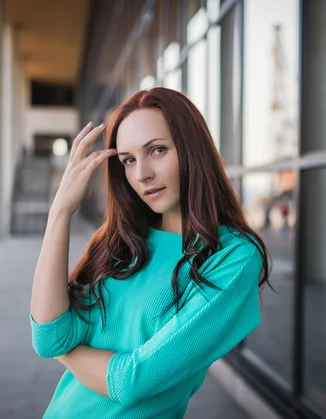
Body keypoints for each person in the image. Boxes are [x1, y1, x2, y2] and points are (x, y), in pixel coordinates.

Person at [29, 87, 271, 418]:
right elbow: (47, 336)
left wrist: (63, 348)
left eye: (157, 150)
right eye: (129, 160)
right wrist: (59, 213)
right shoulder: (121, 241)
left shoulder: (231, 256)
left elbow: (132, 381)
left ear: (191, 150)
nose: (142, 173)